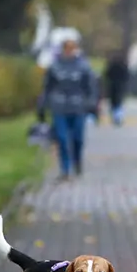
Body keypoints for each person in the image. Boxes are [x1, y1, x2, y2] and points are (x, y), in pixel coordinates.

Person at [38, 38, 99, 180]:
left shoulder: (83, 67)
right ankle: (65, 169)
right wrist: (42, 105)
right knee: (62, 138)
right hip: (59, 107)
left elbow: (91, 87)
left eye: (72, 49)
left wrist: (92, 104)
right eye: (67, 49)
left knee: (78, 139)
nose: (69, 52)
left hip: (78, 107)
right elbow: (47, 87)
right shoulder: (54, 66)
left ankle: (77, 162)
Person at [105, 53, 130, 127]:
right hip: (120, 87)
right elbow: (127, 76)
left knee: (113, 103)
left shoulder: (111, 66)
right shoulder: (123, 66)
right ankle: (118, 117)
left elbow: (107, 75)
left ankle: (115, 117)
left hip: (112, 86)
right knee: (119, 103)